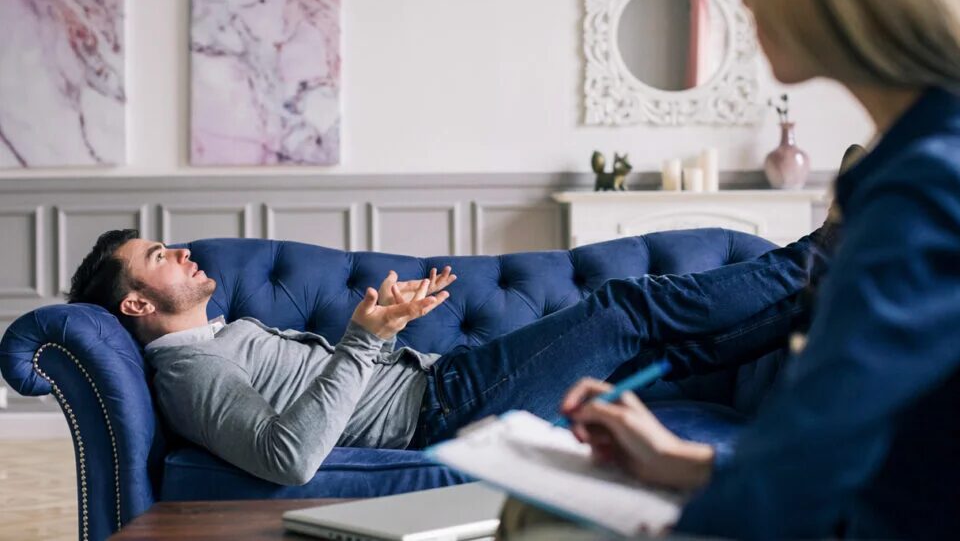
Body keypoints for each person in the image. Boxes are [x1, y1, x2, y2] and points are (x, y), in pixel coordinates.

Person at [555, 0, 960, 539]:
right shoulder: (957, 156)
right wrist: (678, 462)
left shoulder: (934, 188)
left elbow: (801, 482)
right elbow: (853, 457)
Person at [68, 207, 838, 487]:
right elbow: (287, 459)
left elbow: (324, 389)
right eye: (160, 255)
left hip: (445, 381)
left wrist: (379, 332)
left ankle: (813, 293)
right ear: (135, 301)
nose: (181, 253)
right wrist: (365, 342)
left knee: (657, 342)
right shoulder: (189, 367)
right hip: (447, 409)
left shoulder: (217, 333)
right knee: (625, 307)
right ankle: (816, 256)